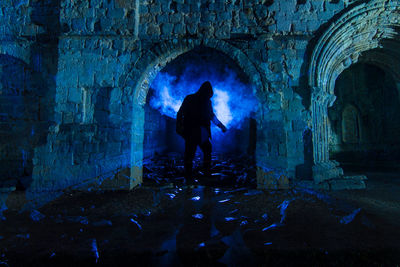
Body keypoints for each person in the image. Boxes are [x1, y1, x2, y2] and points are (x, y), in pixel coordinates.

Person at [176, 81, 227, 183]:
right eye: (208, 95)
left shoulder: (194, 99)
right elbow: (180, 113)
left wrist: (221, 126)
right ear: (206, 92)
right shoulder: (193, 99)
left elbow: (211, 116)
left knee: (200, 150)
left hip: (198, 131)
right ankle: (195, 174)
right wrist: (179, 126)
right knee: (195, 152)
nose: (209, 97)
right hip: (194, 130)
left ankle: (196, 173)